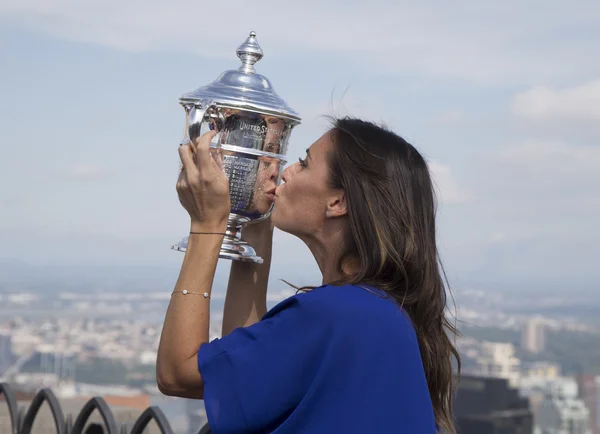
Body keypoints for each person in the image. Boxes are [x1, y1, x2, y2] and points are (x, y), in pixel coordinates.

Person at [156, 117, 461, 433]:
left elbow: (178, 373)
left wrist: (206, 225)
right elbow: (249, 370)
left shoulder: (335, 312)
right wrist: (254, 222)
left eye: (303, 163)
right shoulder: (376, 310)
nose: (284, 171)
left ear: (337, 201)